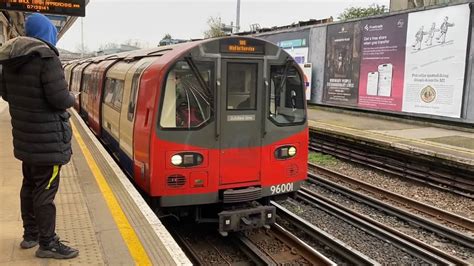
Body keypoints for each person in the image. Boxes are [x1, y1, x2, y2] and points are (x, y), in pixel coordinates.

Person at [0, 14, 79, 259]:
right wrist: (72, 98)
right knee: (45, 190)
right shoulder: (47, 58)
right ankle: (48, 243)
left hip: (26, 139)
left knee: (29, 186)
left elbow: (5, 94)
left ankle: (31, 234)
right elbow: (59, 99)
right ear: (47, 33)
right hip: (47, 142)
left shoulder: (10, 59)